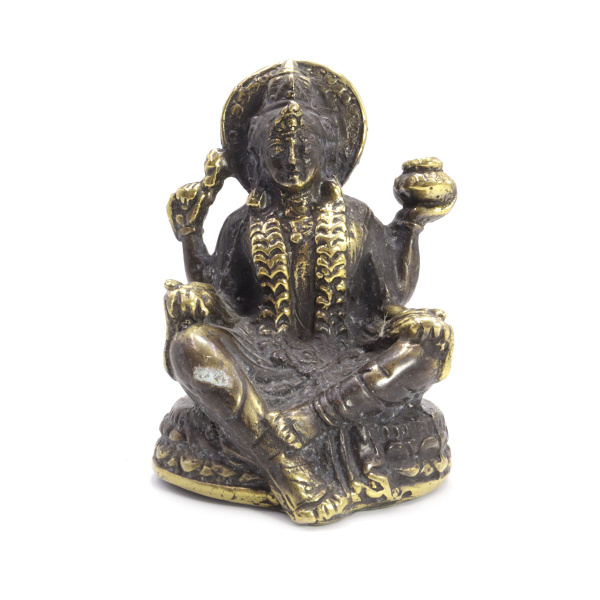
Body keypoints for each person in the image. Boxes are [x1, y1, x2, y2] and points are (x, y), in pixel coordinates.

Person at [154, 61, 456, 524]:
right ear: (257, 155)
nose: (291, 158)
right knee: (191, 347)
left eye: (303, 146)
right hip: (261, 358)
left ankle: (299, 426)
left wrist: (411, 224)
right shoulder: (242, 223)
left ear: (328, 151)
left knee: (430, 349)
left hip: (345, 358)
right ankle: (287, 465)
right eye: (278, 148)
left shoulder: (356, 217)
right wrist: (190, 236)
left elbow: (389, 297)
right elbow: (221, 299)